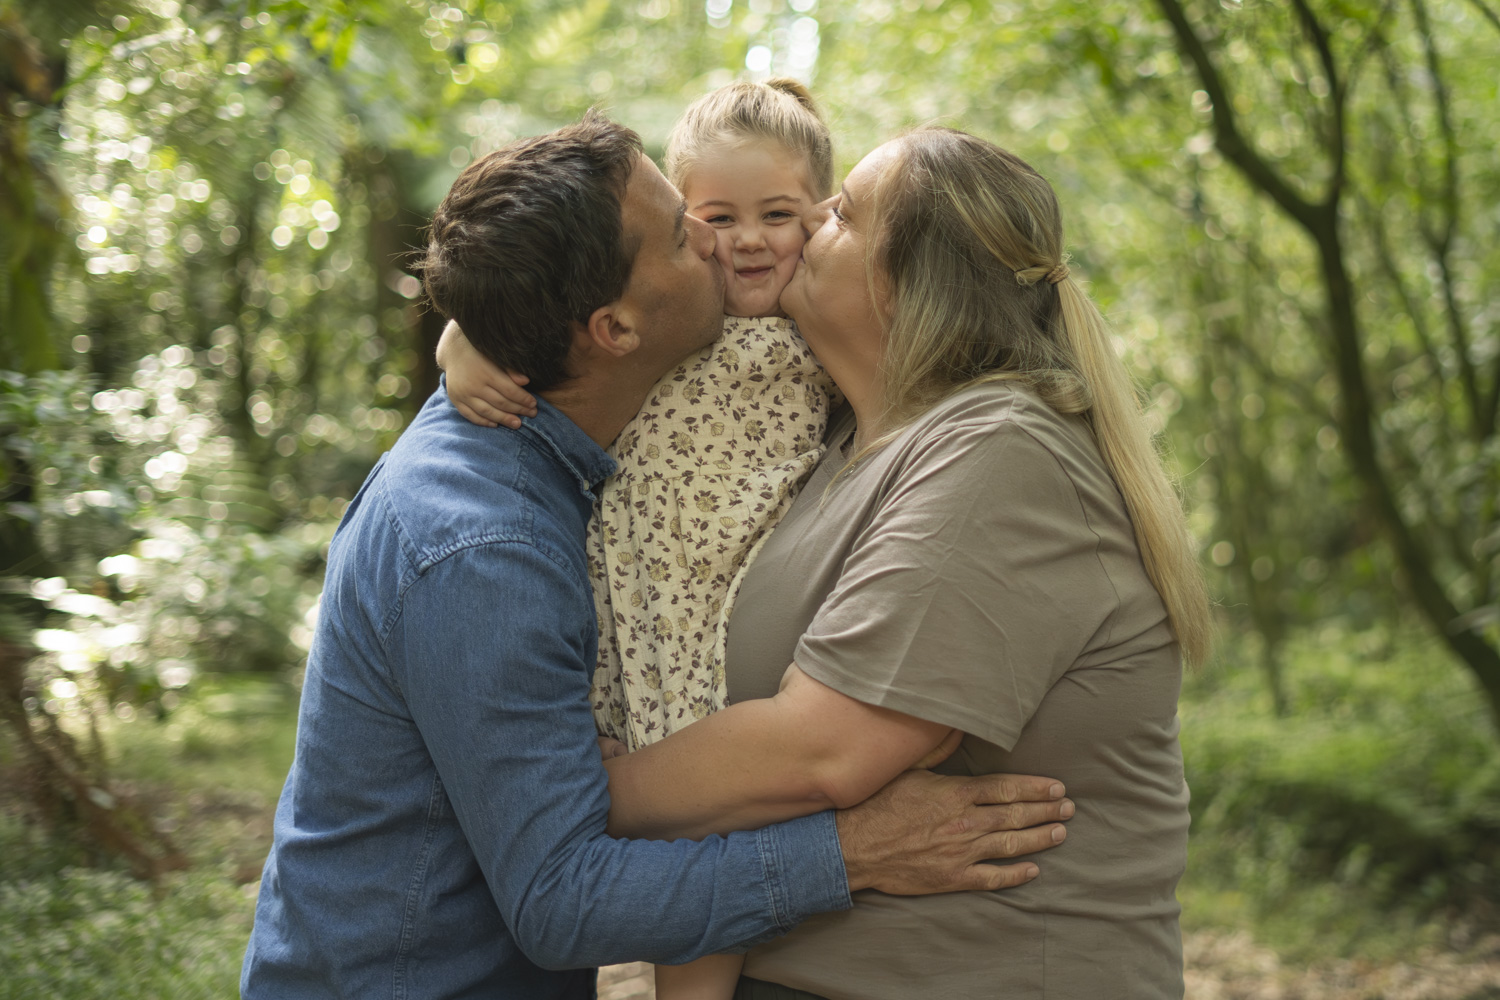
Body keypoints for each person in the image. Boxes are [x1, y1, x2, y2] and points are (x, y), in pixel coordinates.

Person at [240, 113, 1074, 1000]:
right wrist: (853, 849)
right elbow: (563, 901)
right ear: (615, 329)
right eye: (688, 233)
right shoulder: (483, 544)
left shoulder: (582, 423)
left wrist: (465, 332)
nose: (725, 247)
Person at [450, 123, 1211, 998]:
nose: (806, 226)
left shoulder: (1000, 449)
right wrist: (473, 338)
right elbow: (599, 270)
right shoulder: (822, 438)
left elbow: (822, 752)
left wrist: (564, 799)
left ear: (903, 284)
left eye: (841, 214)